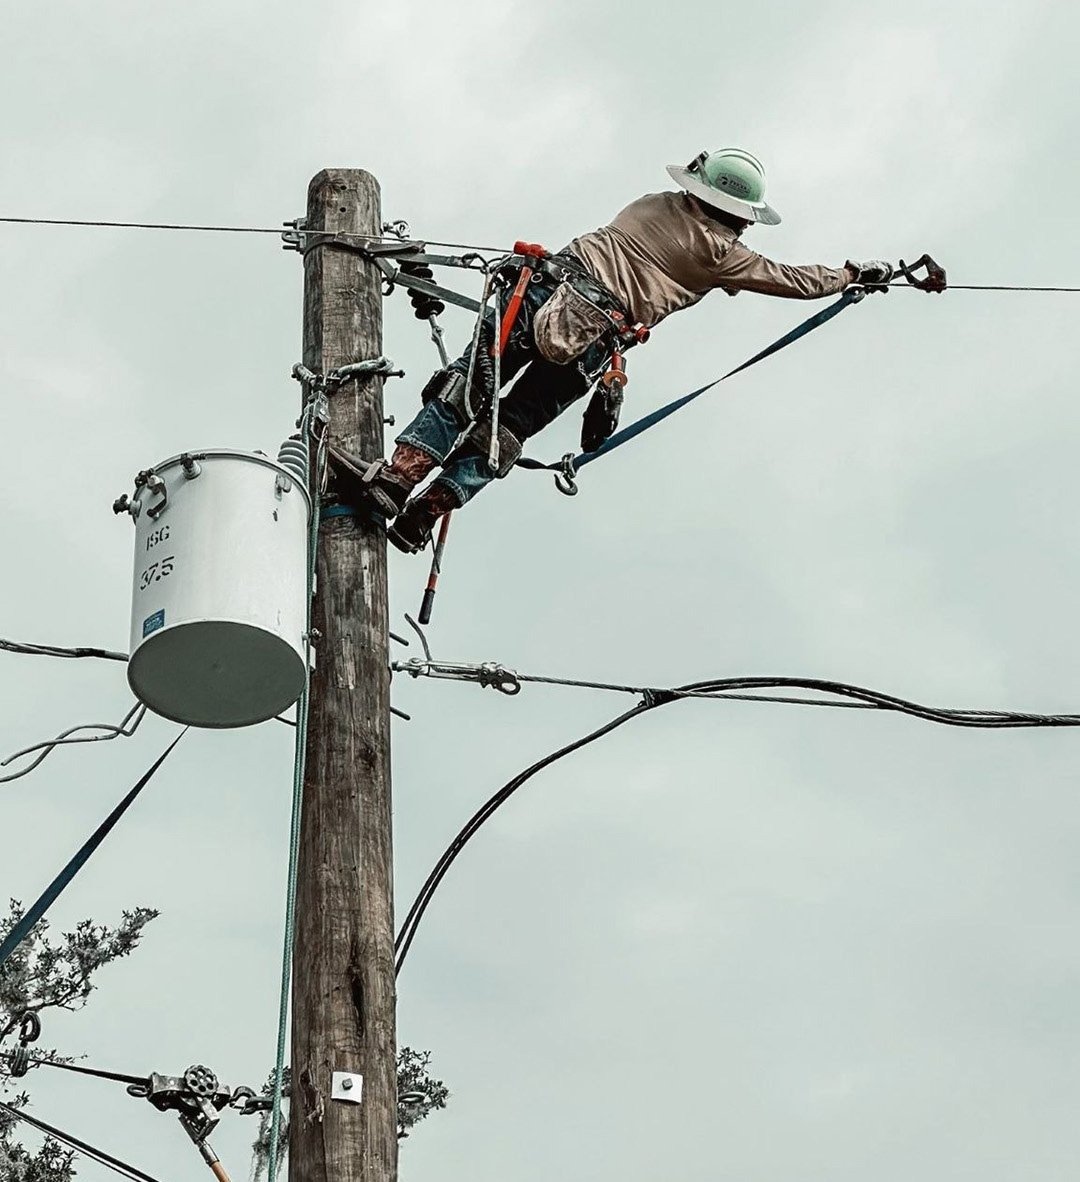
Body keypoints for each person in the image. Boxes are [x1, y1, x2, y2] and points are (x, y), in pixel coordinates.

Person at [329, 148, 893, 553]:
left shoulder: (652, 205)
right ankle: (426, 512)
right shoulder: (723, 256)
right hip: (598, 344)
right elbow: (793, 278)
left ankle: (399, 479)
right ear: (738, 215)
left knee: (469, 390)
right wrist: (853, 273)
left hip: (543, 295)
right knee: (509, 427)